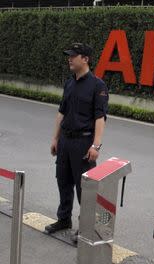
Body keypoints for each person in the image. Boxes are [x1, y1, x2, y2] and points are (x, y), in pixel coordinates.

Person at [45, 43, 109, 236]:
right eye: (69, 55)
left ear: (85, 59)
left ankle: (86, 227)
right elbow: (61, 112)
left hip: (83, 143)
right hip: (65, 141)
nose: (69, 59)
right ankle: (64, 219)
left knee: (84, 188)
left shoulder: (98, 86)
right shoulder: (69, 82)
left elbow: (100, 118)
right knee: (63, 181)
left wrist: (96, 145)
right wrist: (55, 138)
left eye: (74, 56)